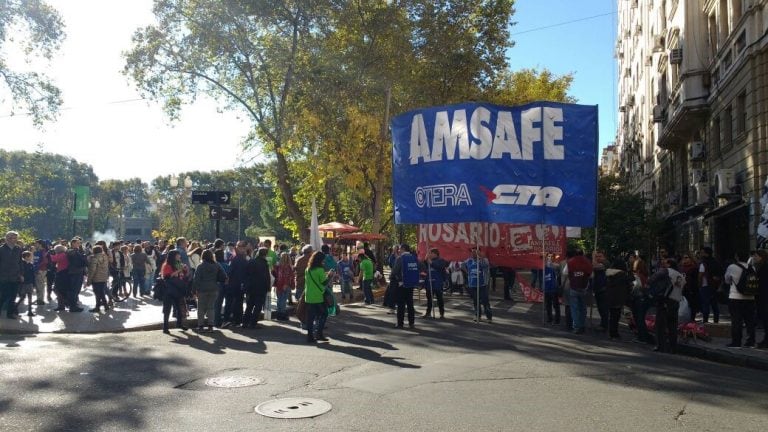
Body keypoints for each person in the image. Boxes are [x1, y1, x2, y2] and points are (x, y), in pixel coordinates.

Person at [648, 258, 683, 353]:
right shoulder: (680, 275)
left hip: (665, 301)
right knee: (672, 326)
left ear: (669, 264)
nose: (663, 263)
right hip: (676, 301)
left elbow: (652, 279)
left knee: (660, 325)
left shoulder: (666, 271)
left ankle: (660, 346)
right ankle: (673, 348)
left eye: (665, 262)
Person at [724, 251, 757, 348]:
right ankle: (750, 341)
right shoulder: (752, 267)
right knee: (749, 321)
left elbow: (727, 280)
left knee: (736, 320)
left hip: (735, 297)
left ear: (736, 257)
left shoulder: (732, 267)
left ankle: (736, 342)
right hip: (750, 297)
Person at [192, 249, 226, 332]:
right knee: (211, 308)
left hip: (202, 289)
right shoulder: (216, 265)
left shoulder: (200, 266)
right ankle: (211, 326)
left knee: (201, 308)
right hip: (214, 288)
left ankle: (201, 326)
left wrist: (194, 290)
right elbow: (224, 275)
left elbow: (196, 279)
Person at [305, 251, 332, 342]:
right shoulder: (320, 270)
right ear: (320, 260)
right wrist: (329, 276)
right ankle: (319, 333)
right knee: (324, 314)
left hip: (308, 296)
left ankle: (310, 336)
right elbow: (324, 282)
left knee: (310, 318)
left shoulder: (308, 269)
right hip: (318, 296)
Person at [160, 250, 189, 333]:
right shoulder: (167, 265)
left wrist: (185, 270)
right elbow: (167, 276)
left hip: (178, 288)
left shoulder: (178, 263)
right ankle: (165, 327)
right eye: (178, 255)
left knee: (179, 307)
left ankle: (179, 324)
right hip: (169, 290)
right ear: (173, 256)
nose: (179, 256)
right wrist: (180, 270)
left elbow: (184, 275)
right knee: (167, 309)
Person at [222, 241, 249, 328]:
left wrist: (227, 279)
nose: (237, 248)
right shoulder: (244, 259)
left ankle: (228, 320)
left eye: (240, 246)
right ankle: (237, 320)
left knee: (230, 302)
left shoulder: (234, 258)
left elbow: (230, 271)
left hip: (233, 284)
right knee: (238, 303)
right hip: (240, 284)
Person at [243, 247, 271, 329]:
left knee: (250, 305)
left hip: (251, 286)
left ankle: (245, 322)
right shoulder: (264, 263)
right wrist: (268, 287)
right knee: (258, 306)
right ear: (265, 254)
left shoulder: (251, 261)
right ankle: (253, 323)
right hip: (261, 287)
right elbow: (266, 277)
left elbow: (246, 274)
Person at [393, 244, 419, 328]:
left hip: (402, 284)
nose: (399, 250)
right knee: (410, 304)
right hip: (411, 284)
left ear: (403, 249)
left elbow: (395, 271)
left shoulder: (400, 258)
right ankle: (412, 323)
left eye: (400, 249)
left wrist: (394, 278)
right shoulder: (414, 258)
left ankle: (400, 323)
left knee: (401, 305)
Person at [605, 259, 632, 340]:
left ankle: (611, 332)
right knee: (616, 316)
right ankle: (614, 333)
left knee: (612, 315)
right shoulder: (623, 275)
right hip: (619, 297)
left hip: (610, 296)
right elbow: (630, 283)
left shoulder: (609, 273)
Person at [567, 249, 592, 334]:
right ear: (583, 253)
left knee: (574, 308)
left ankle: (577, 327)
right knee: (583, 308)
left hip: (573, 287)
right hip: (584, 288)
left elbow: (565, 273)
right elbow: (591, 275)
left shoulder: (570, 261)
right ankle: (582, 325)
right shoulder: (587, 261)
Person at [0, 231, 24, 319]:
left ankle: (10, 314)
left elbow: (20, 262)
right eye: (13, 238)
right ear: (8, 238)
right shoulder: (1, 249)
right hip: (4, 277)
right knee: (4, 296)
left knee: (13, 296)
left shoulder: (18, 249)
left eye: (15, 238)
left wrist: (21, 274)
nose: (15, 240)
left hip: (15, 276)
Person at [698, 246, 722, 323]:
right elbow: (720, 274)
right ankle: (716, 322)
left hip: (705, 286)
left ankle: (705, 321)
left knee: (705, 304)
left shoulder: (703, 263)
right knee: (714, 304)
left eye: (702, 252)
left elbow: (700, 275)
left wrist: (699, 285)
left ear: (706, 254)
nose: (701, 254)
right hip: (714, 286)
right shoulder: (716, 262)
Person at [423, 248, 448, 319]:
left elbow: (439, 267)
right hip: (429, 283)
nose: (430, 255)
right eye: (429, 253)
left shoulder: (441, 260)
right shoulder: (428, 261)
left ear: (435, 254)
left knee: (439, 299)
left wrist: (432, 263)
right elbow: (424, 262)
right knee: (429, 299)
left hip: (437, 283)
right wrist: (427, 254)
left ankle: (441, 313)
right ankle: (428, 313)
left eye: (431, 253)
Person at [86, 245, 110, 313]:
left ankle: (97, 307)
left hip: (96, 278)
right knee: (101, 292)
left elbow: (92, 270)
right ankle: (105, 305)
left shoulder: (94, 258)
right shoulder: (105, 257)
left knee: (97, 293)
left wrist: (89, 281)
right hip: (103, 277)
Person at [66, 238, 88, 308]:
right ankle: (73, 306)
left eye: (79, 243)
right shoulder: (71, 251)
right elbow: (78, 261)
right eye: (78, 243)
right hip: (74, 273)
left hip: (78, 272)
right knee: (74, 289)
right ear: (73, 243)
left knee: (76, 289)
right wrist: (84, 257)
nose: (79, 244)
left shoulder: (76, 251)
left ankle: (74, 304)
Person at [753, 250, 768, 349]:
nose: (754, 258)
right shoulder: (762, 267)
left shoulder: (764, 268)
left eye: (756, 256)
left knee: (766, 320)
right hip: (763, 297)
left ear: (761, 257)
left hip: (764, 298)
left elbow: (762, 284)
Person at [590, 250, 609, 331]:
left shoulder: (606, 263)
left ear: (604, 257)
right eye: (597, 256)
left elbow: (595, 266)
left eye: (600, 256)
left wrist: (593, 257)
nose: (598, 258)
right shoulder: (599, 263)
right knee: (600, 308)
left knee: (603, 308)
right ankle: (603, 324)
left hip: (604, 289)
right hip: (598, 289)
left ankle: (604, 326)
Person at [273, 252, 294, 320]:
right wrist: (286, 284)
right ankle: (282, 314)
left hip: (278, 284)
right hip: (285, 285)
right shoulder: (288, 267)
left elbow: (275, 275)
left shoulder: (278, 266)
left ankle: (279, 314)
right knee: (283, 300)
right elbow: (288, 276)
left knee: (279, 300)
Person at [680, 253, 700, 322]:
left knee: (692, 306)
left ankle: (691, 320)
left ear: (691, 259)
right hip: (683, 290)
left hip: (691, 290)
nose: (685, 259)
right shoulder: (681, 268)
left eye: (687, 257)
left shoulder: (694, 268)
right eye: (684, 258)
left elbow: (696, 280)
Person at [17, 251, 35, 317]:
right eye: (30, 256)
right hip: (24, 283)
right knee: (22, 297)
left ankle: (30, 311)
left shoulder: (31, 264)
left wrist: (34, 283)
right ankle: (15, 307)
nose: (31, 257)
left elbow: (32, 275)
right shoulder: (22, 264)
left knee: (30, 297)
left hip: (30, 283)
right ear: (26, 257)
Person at [543, 255, 560, 324]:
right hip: (546, 288)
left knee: (555, 305)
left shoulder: (556, 266)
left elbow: (559, 274)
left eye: (550, 256)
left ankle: (557, 319)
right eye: (548, 257)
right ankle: (549, 318)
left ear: (553, 258)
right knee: (548, 305)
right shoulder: (543, 267)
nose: (549, 258)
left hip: (553, 288)